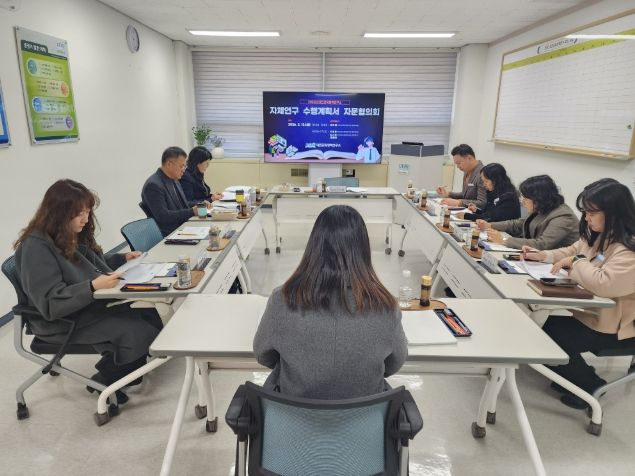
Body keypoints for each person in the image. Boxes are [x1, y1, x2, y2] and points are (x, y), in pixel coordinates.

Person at [14, 179, 163, 400]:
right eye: (79, 214)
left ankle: (123, 369)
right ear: (59, 214)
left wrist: (121, 258)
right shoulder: (36, 247)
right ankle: (106, 380)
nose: (85, 219)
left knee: (150, 314)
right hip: (60, 320)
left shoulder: (63, 234)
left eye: (87, 212)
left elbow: (85, 263)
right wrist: (92, 286)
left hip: (82, 306)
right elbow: (50, 302)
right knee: (135, 330)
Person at [253, 205, 407, 399]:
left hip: (293, 413)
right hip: (364, 415)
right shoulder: (386, 306)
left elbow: (263, 355)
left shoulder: (282, 299)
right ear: (363, 249)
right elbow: (394, 363)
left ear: (314, 245)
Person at [523, 179, 635, 409]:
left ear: (614, 213)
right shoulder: (599, 234)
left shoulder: (629, 249)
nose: (586, 218)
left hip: (619, 326)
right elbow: (573, 250)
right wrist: (544, 255)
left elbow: (603, 284)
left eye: (592, 213)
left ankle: (591, 386)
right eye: (585, 212)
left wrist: (576, 262)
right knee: (549, 326)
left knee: (555, 336)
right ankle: (573, 375)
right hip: (596, 314)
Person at [477, 174, 578, 250]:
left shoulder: (564, 216)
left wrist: (504, 240)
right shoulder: (543, 207)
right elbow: (519, 224)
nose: (522, 201)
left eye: (525, 198)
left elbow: (542, 244)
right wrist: (489, 225)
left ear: (538, 198)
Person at [141, 146, 210, 236]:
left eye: (185, 166)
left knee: (213, 231)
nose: (184, 170)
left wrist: (200, 204)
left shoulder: (174, 179)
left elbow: (182, 204)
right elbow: (163, 216)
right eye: (181, 166)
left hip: (183, 226)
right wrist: (192, 211)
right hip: (170, 232)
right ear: (169, 164)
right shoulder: (153, 185)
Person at [456, 163, 520, 222]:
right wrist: (477, 210)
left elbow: (492, 218)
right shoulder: (494, 192)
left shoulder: (508, 197)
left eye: (486, 181)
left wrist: (466, 216)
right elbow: (490, 213)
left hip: (503, 230)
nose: (484, 184)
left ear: (496, 180)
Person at [436, 144, 486, 209]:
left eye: (459, 163)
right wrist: (448, 194)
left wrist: (459, 203)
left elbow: (482, 203)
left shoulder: (483, 174)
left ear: (469, 158)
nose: (457, 167)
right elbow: (464, 195)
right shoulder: (467, 171)